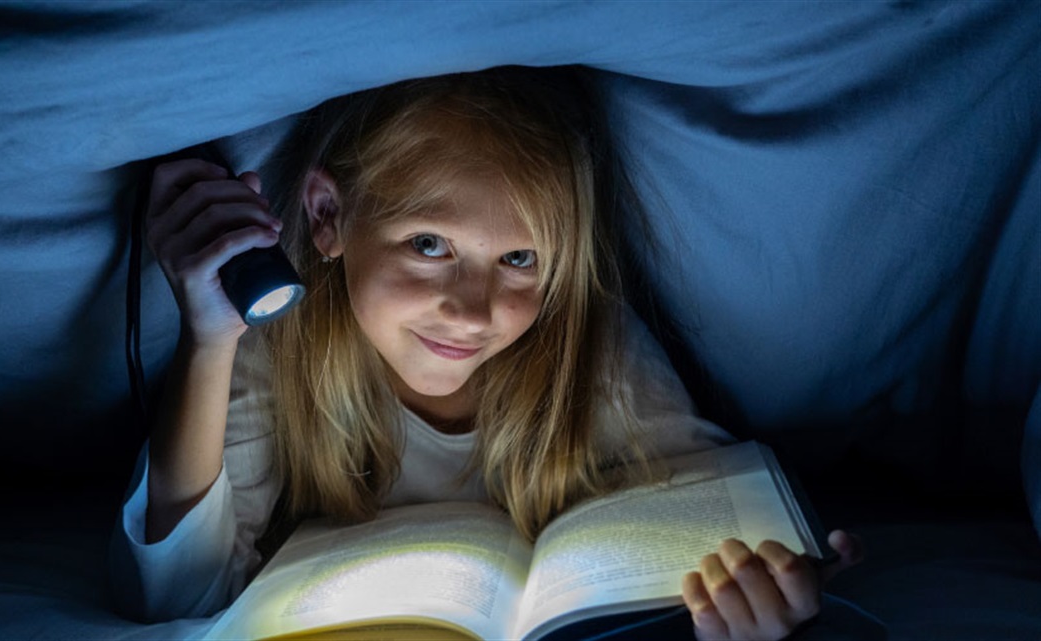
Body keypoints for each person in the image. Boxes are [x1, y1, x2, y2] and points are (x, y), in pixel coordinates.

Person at [110, 65, 862, 640]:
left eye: (520, 259)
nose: (473, 309)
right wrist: (211, 339)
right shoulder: (280, 339)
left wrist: (765, 582)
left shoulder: (583, 345)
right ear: (327, 214)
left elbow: (706, 510)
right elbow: (178, 597)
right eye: (429, 245)